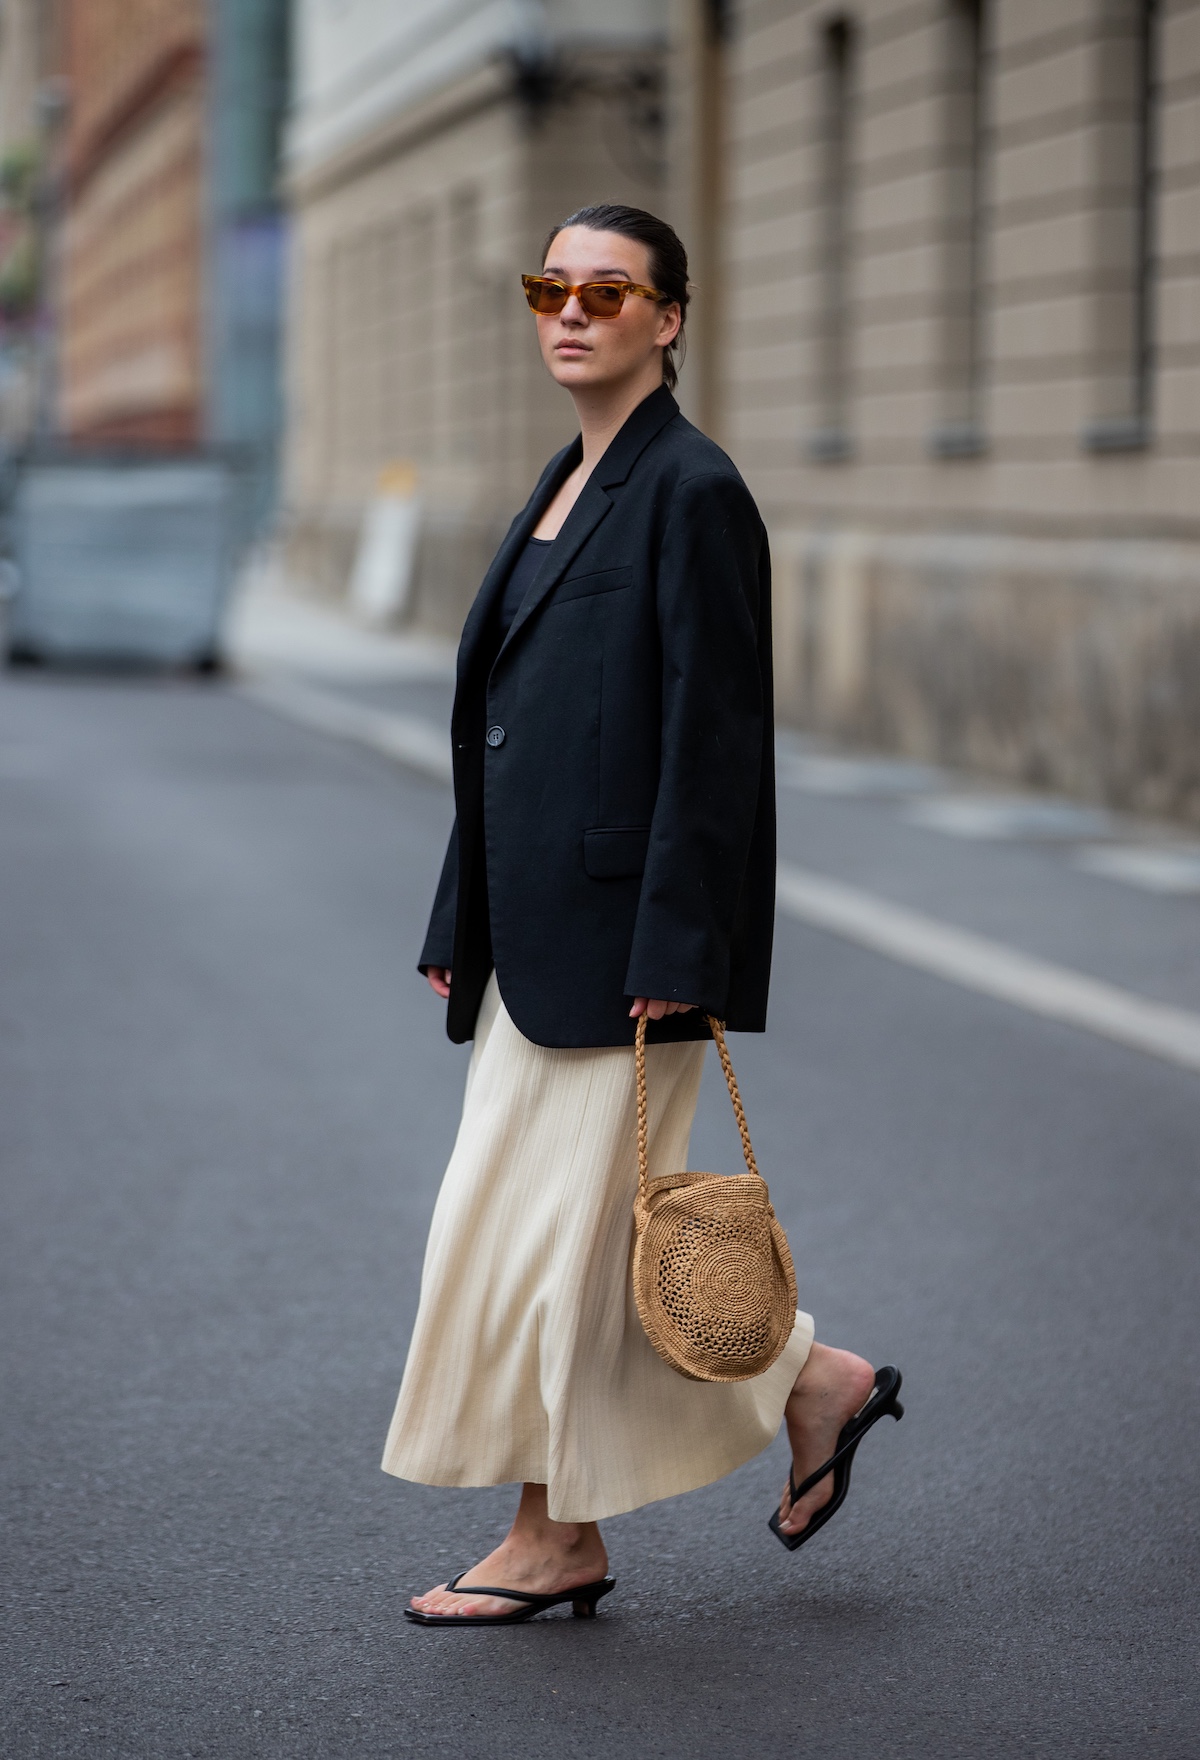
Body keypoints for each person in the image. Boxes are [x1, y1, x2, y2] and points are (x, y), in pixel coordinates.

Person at [383, 204, 902, 1626]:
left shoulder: (692, 489)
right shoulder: (564, 482)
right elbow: (507, 732)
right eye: (553, 285)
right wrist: (459, 920)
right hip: (534, 941)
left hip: (627, 953)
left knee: (549, 1248)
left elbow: (713, 742)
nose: (573, 311)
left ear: (668, 321)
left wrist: (682, 949)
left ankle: (556, 1540)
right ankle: (812, 1379)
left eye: (609, 293)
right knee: (541, 1240)